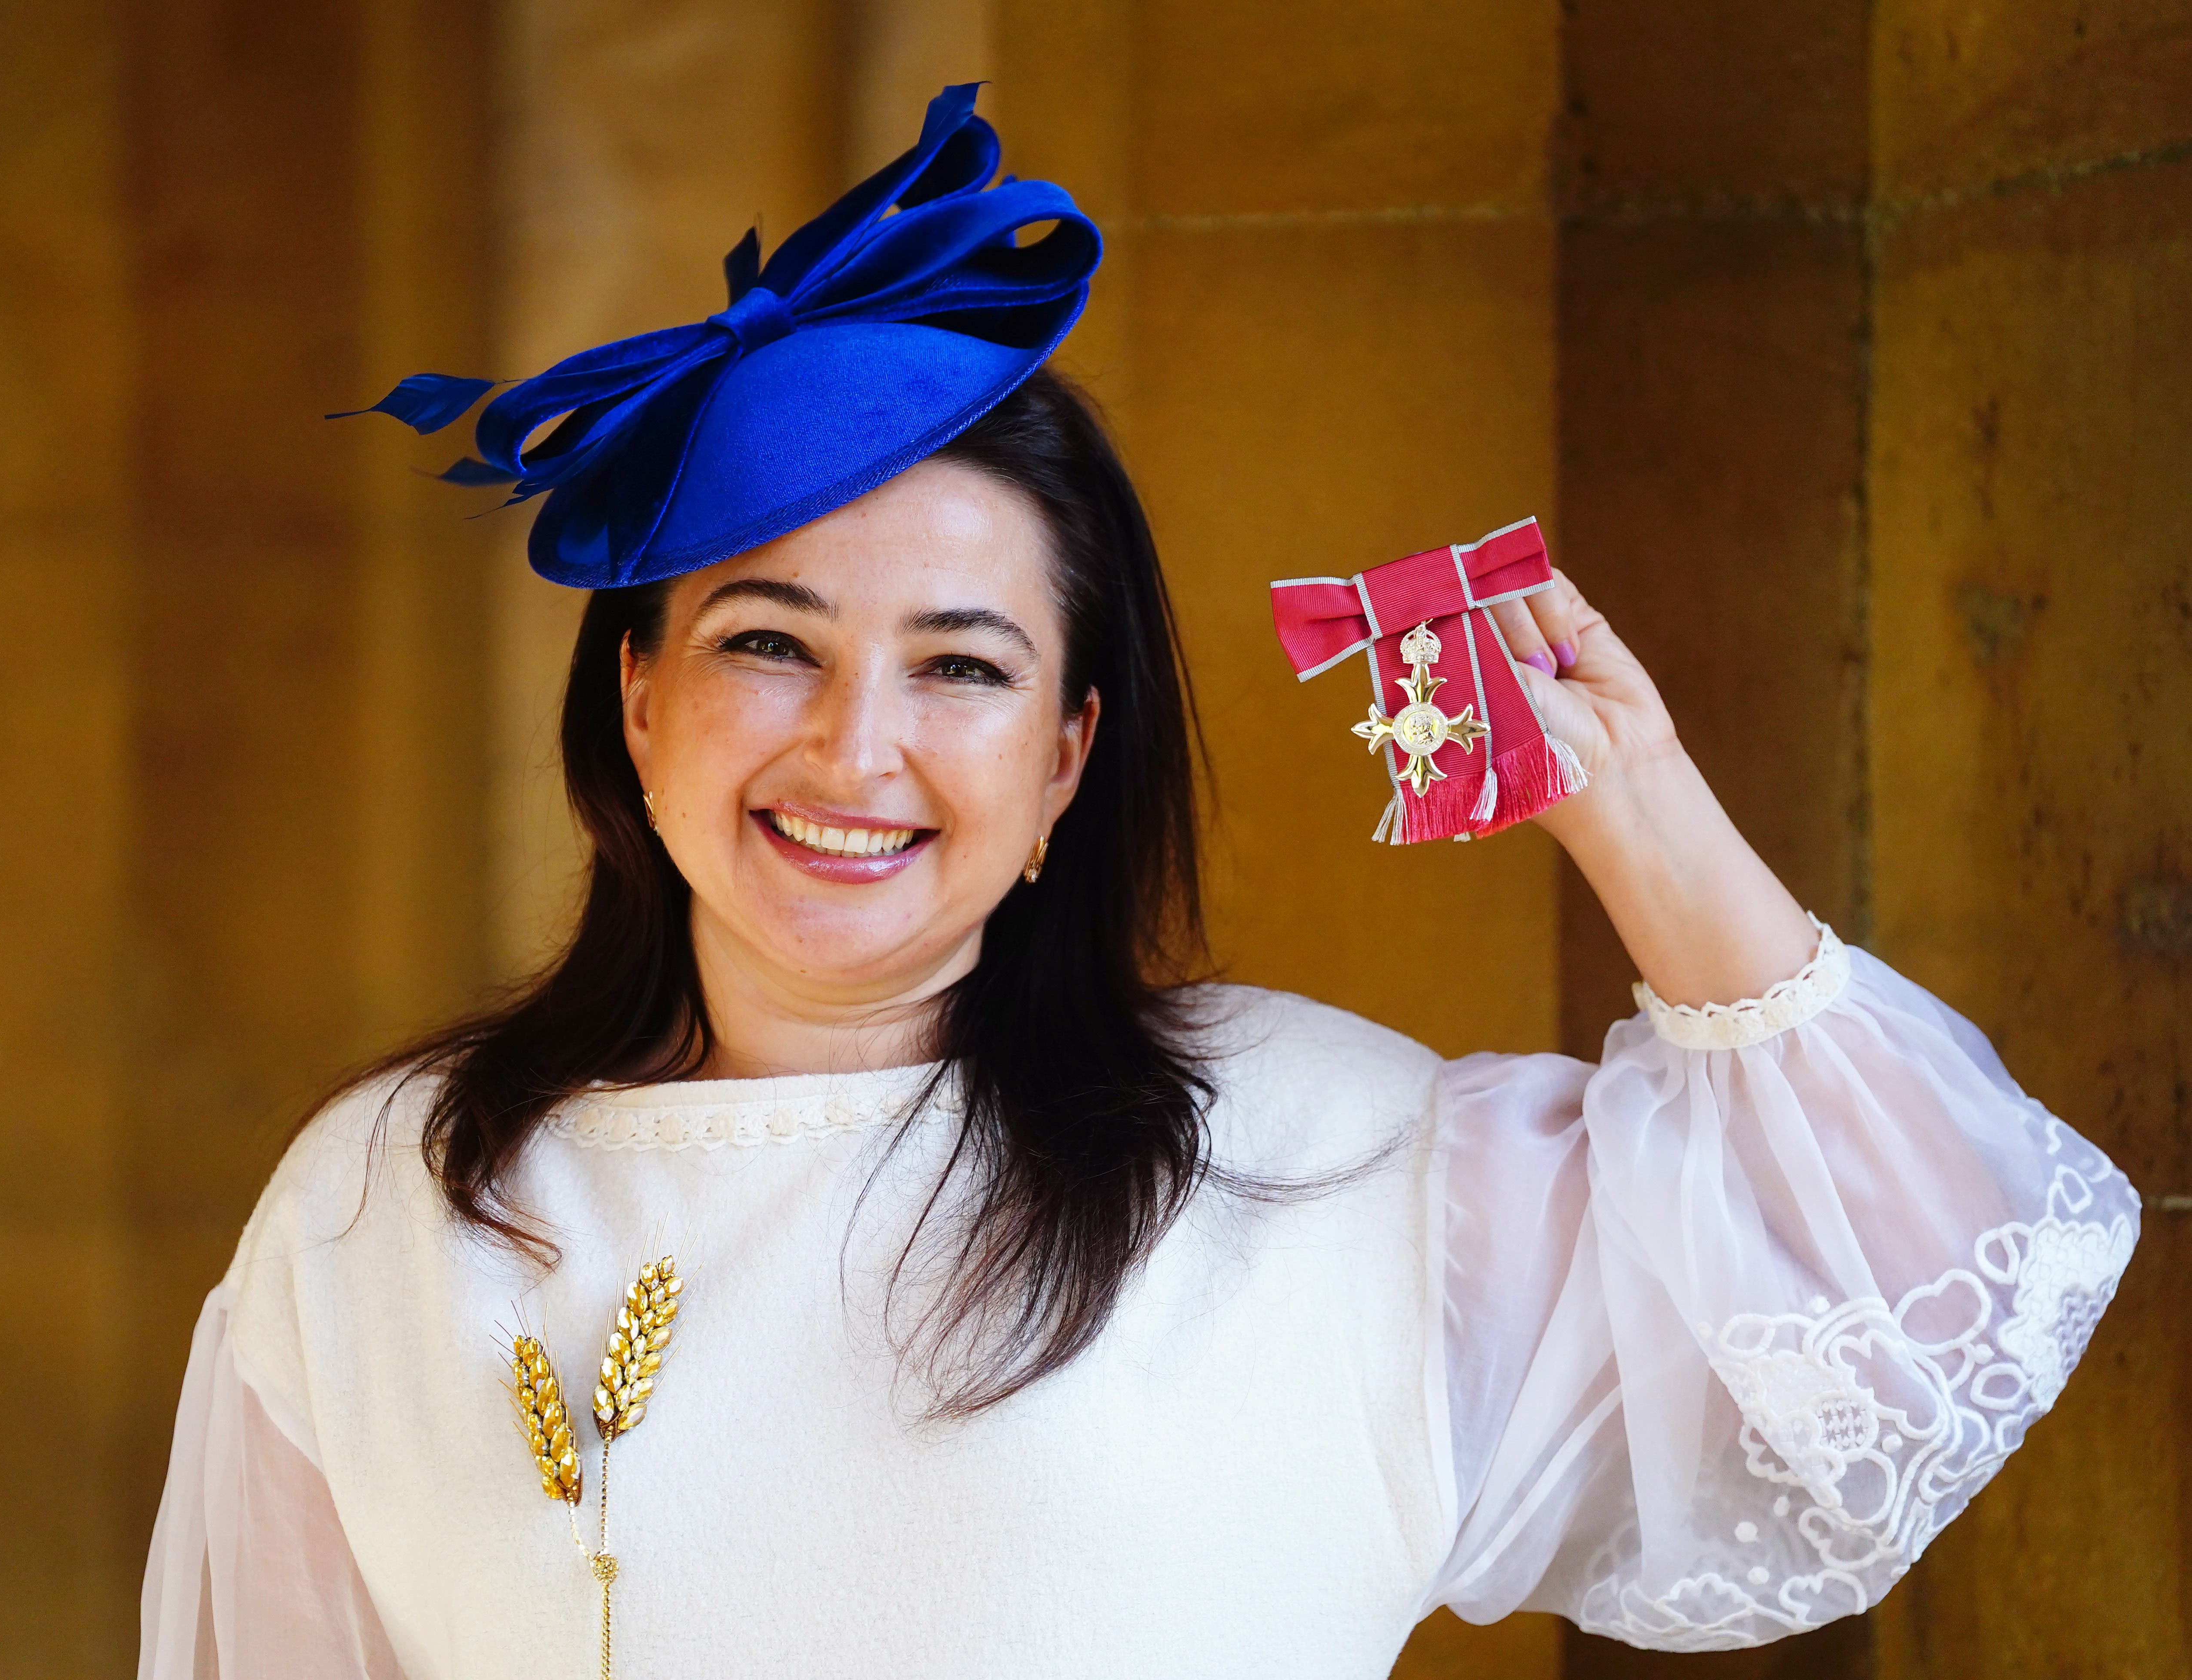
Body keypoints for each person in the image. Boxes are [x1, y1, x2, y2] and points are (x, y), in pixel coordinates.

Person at [139, 87, 2137, 1679]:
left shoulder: (1324, 1162)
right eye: (769, 641)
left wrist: (1641, 800)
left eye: (963, 666)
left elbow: (1915, 1318)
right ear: (639, 696)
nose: (855, 749)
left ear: (1067, 756)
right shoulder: (382, 1208)